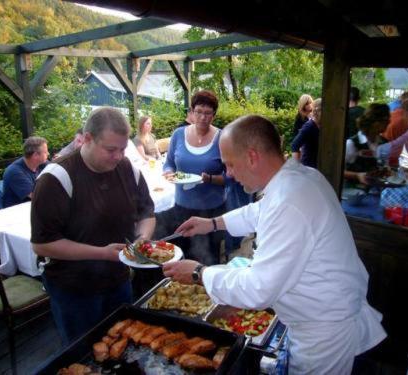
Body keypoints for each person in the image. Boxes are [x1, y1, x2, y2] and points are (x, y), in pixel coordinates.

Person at [163, 115, 386, 374]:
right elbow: (259, 211)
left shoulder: (290, 200)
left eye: (230, 165)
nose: (230, 174)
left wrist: (198, 272)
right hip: (322, 318)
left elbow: (258, 290)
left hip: (323, 333)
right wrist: (212, 223)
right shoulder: (300, 178)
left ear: (252, 157)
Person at [31, 107, 155, 345]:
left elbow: (147, 213)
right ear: (87, 139)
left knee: (124, 344)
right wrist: (101, 253)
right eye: (111, 150)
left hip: (119, 280)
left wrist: (141, 239)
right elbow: (42, 244)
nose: (118, 156)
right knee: (85, 351)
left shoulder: (128, 169)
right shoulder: (55, 179)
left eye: (122, 149)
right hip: (74, 289)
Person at [155, 90, 226, 265]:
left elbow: (232, 176)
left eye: (208, 113)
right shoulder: (179, 134)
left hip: (211, 211)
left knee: (208, 259)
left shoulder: (223, 138)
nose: (202, 117)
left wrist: (210, 179)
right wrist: (168, 172)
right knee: (182, 255)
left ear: (214, 115)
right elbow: (169, 162)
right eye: (198, 112)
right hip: (182, 208)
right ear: (192, 113)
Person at [2, 136, 49, 208]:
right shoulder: (14, 172)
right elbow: (37, 196)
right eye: (45, 152)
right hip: (18, 213)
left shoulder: (42, 163)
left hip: (35, 208)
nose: (48, 154)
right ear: (35, 155)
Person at [381, 98, 408, 167]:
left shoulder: (392, 114)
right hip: (391, 159)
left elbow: (399, 135)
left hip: (381, 155)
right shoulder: (407, 122)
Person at [291, 98, 321, 168]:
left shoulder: (323, 125)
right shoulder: (309, 126)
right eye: (307, 103)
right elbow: (294, 145)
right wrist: (297, 168)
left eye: (310, 103)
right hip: (309, 166)